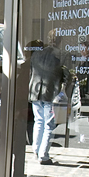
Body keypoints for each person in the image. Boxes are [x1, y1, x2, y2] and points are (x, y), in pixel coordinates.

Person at [28, 30, 69, 164]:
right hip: (51, 93)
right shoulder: (61, 55)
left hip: (35, 92)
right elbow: (67, 75)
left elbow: (32, 71)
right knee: (48, 125)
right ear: (59, 40)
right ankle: (43, 155)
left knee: (38, 121)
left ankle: (36, 150)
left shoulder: (37, 53)